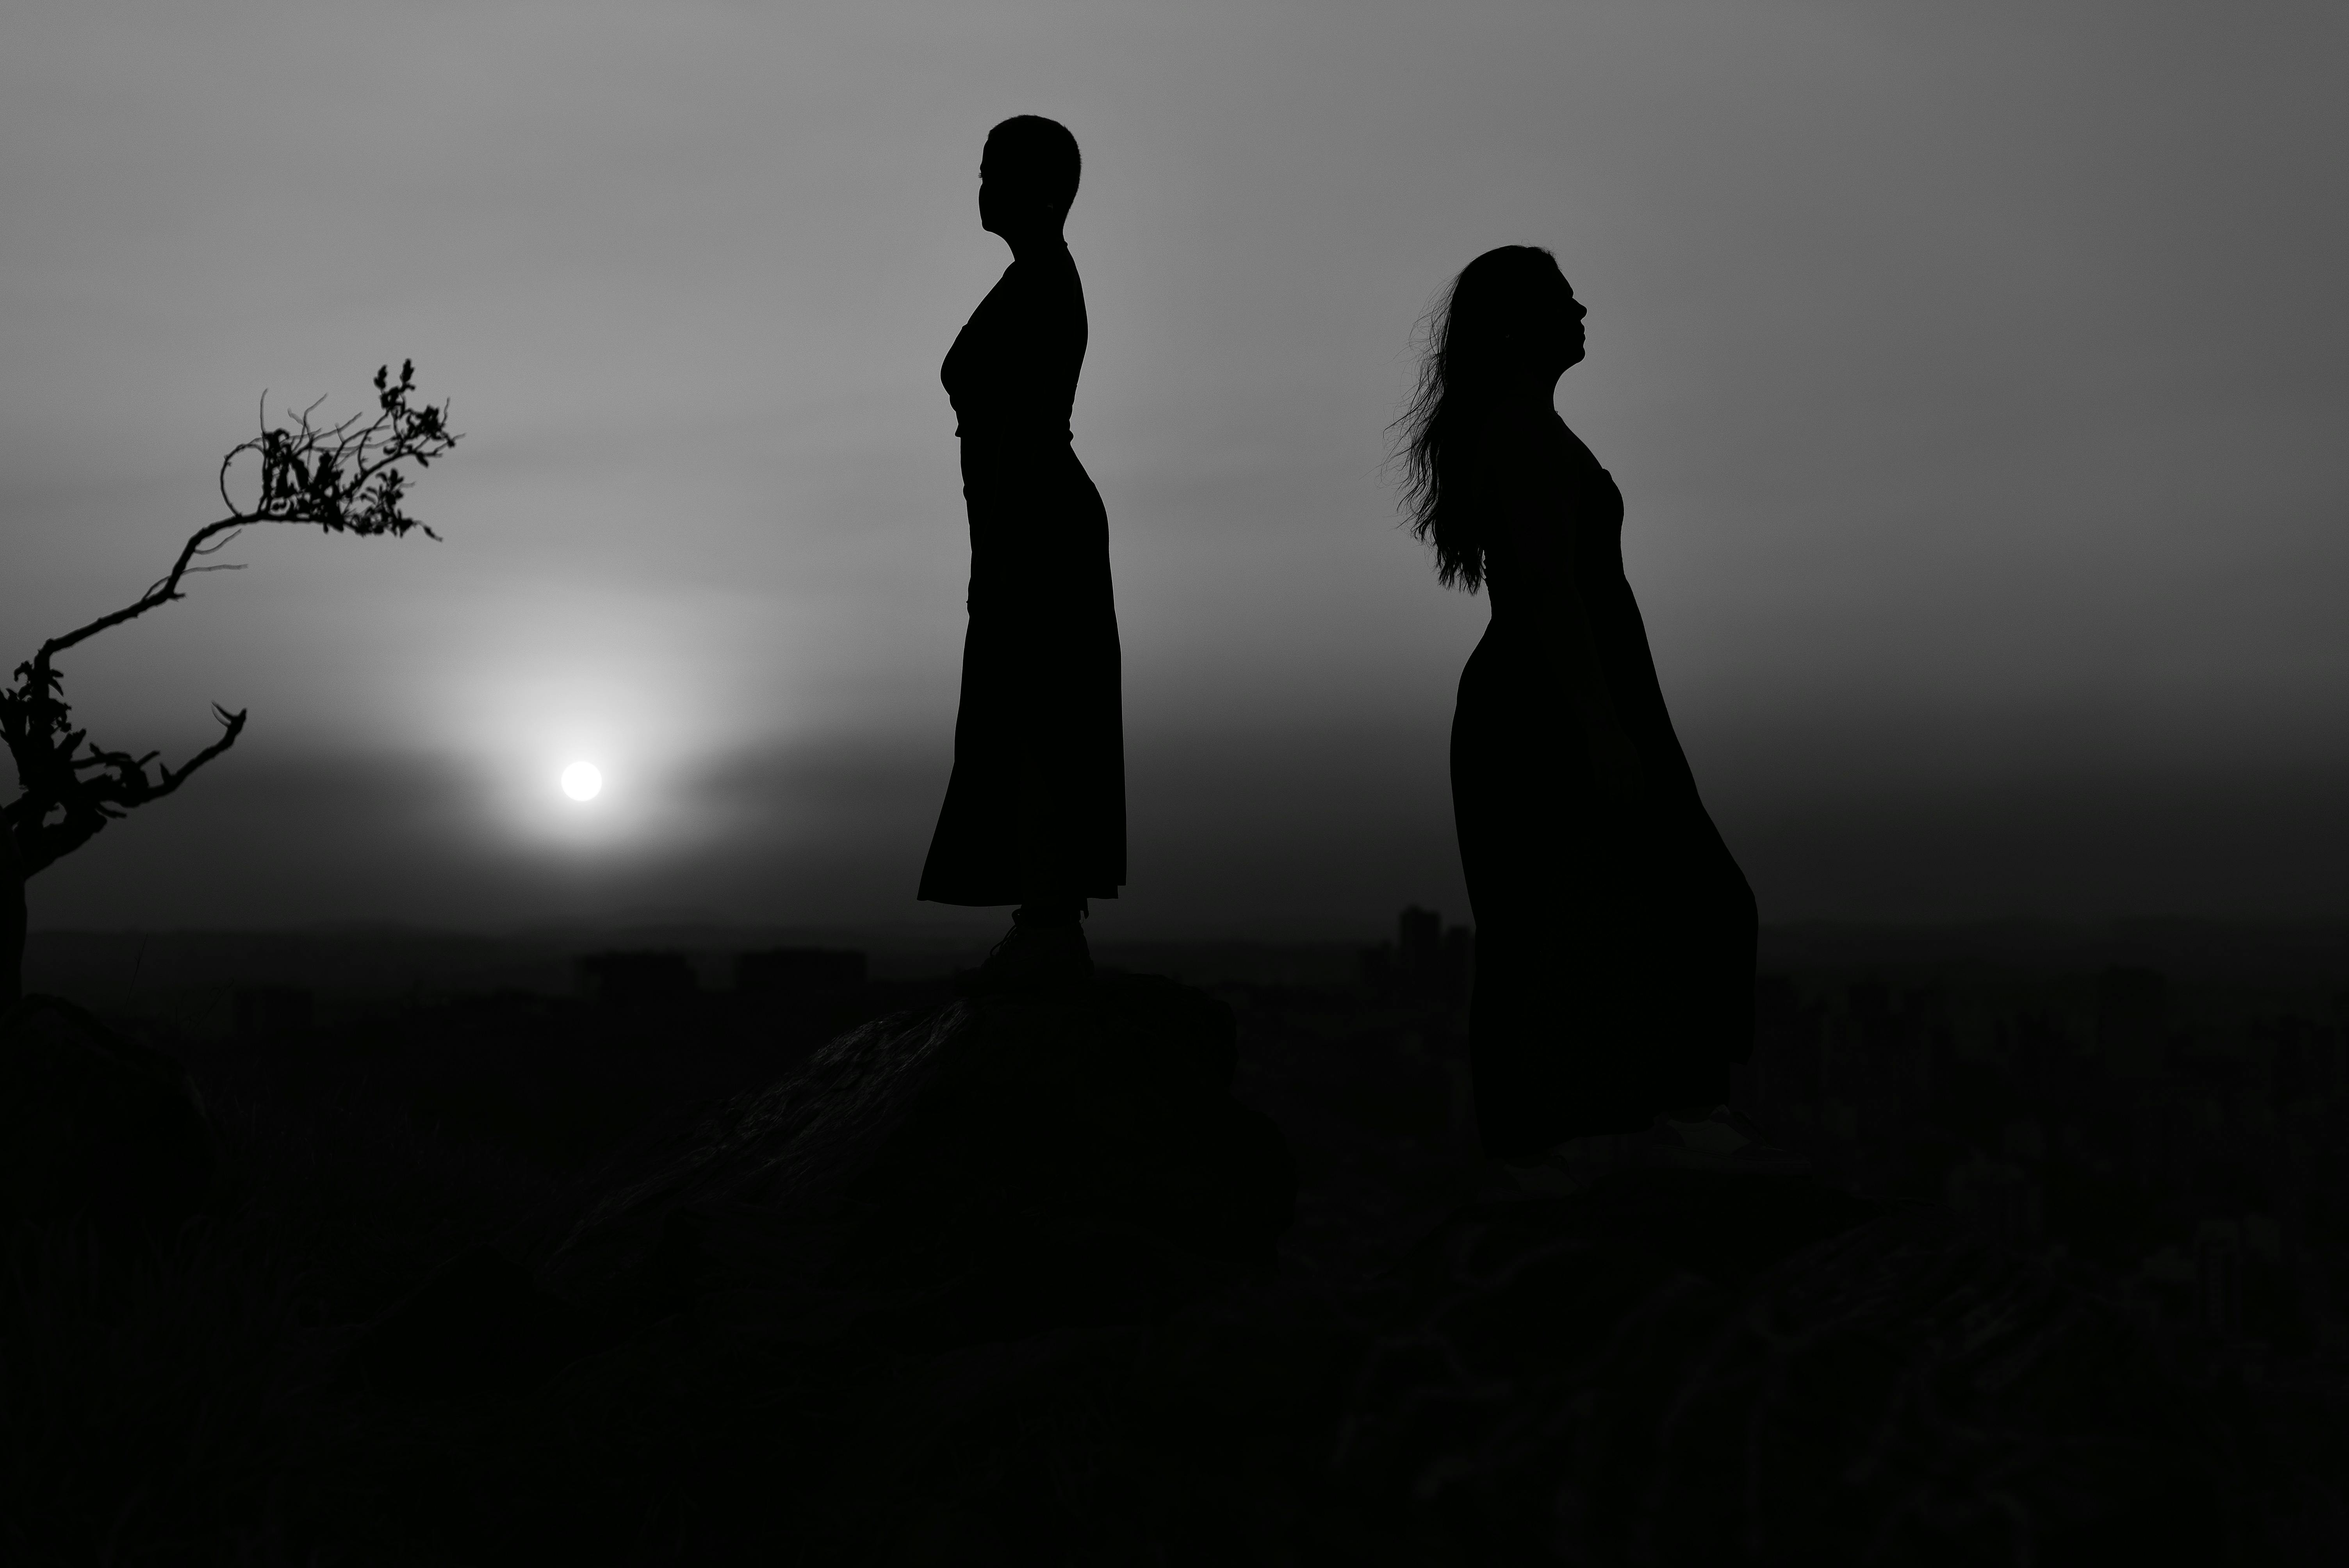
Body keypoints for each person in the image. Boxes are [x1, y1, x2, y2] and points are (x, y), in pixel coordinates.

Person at [1394, 245, 1805, 1192]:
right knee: (1666, 896)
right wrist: (1600, 727)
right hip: (1552, 700)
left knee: (1586, 910)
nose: (1582, 309)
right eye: (1558, 300)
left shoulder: (1527, 427)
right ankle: (1643, 1120)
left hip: (1568, 695)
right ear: (1513, 325)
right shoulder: (1520, 433)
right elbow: (1547, 591)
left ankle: (1621, 1121)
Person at [918, 116, 1125, 987]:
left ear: (1036, 186)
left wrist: (996, 547)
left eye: (990, 172)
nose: (978, 187)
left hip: (1034, 513)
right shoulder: (1031, 277)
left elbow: (1023, 429)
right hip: (1021, 513)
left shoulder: (1044, 281)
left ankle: (1048, 923)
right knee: (1028, 710)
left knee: (1039, 710)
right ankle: (1042, 914)